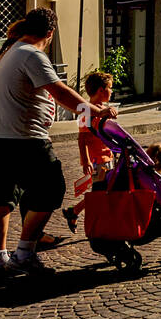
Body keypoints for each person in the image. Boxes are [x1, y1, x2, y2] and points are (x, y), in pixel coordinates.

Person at [0, 9, 113, 280]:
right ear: (50, 34)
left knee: (1, 196)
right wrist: (94, 111)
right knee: (52, 188)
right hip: (24, 138)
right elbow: (60, 92)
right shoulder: (31, 54)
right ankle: (24, 254)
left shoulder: (5, 55)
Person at [61, 71, 116, 233]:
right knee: (100, 193)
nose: (112, 92)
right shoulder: (87, 111)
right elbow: (82, 138)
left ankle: (75, 212)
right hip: (98, 160)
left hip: (107, 156)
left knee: (103, 191)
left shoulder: (103, 109)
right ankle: (91, 221)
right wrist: (85, 161)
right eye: (110, 88)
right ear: (101, 90)